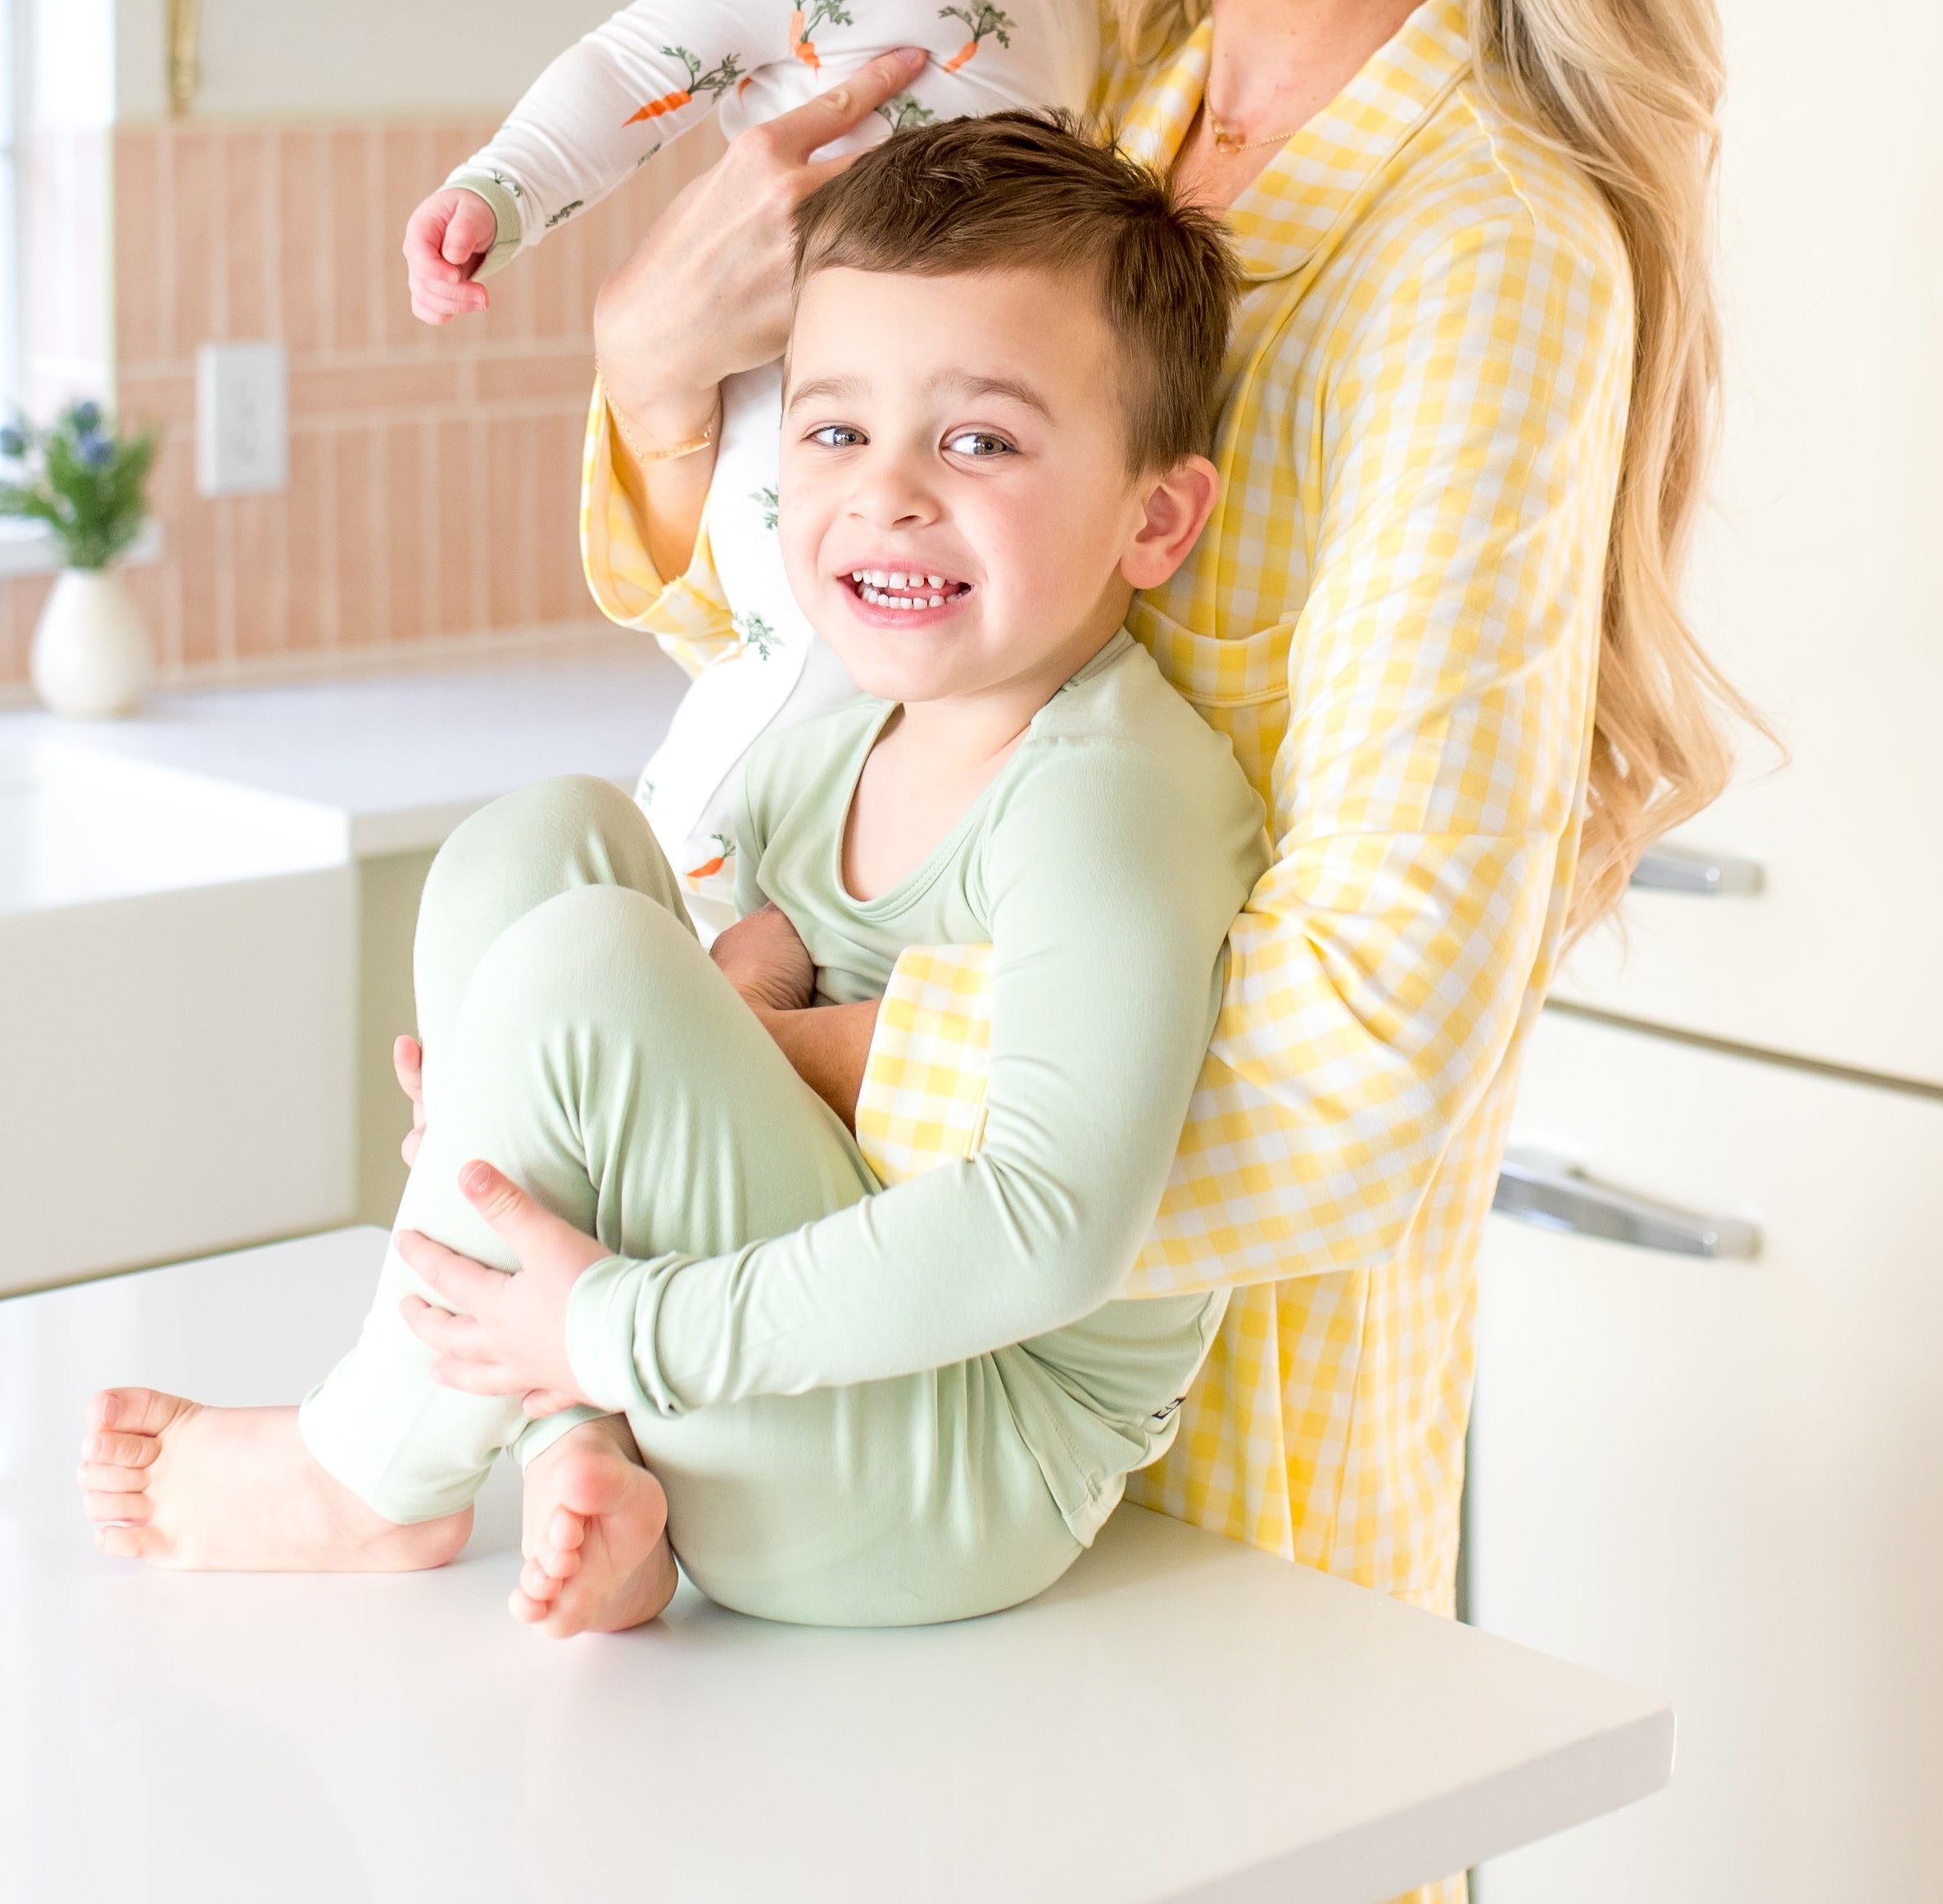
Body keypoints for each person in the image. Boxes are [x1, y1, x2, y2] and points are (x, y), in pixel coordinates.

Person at [577, 0, 1737, 1903]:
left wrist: (735, 1057)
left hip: (1201, 1495)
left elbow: (1368, 1054)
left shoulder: (1481, 248)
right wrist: (656, 375)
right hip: (831, 1369)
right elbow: (828, 647)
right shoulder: (1082, 85)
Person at [78, 118, 1268, 1636]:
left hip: (960, 1463)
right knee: (540, 846)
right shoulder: (822, 757)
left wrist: (610, 1321)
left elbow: (1050, 1226)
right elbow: (695, 1051)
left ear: (1155, 517)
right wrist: (515, 1102)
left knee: (591, 964)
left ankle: (370, 1472)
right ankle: (587, 1459)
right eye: (836, 432)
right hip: (778, 1372)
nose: (888, 493)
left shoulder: (1107, 799)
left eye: (980, 440)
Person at [401, 0, 1094, 924]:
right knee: (800, 668)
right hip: (802, 412)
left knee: (923, 703)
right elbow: (623, 71)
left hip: (951, 412)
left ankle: (804, 947)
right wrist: (497, 191)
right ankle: (667, 911)